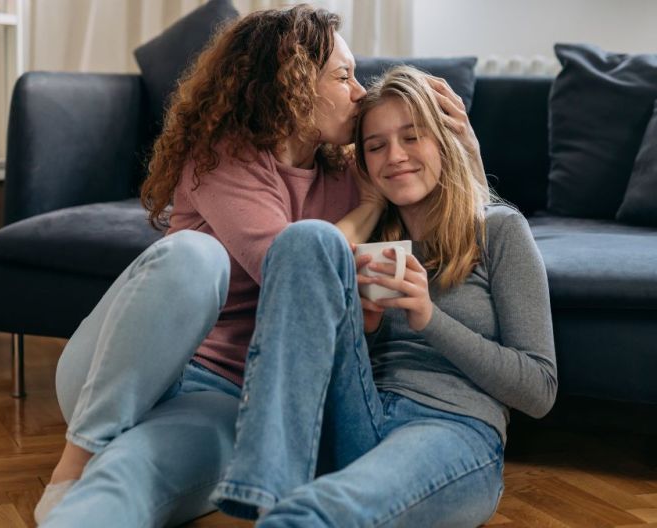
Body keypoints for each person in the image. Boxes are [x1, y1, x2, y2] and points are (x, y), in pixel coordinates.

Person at [34, 5, 394, 526]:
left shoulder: (348, 172)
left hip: (223, 397)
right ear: (290, 84)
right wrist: (368, 210)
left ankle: (89, 490)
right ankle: (75, 461)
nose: (359, 92)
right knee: (194, 256)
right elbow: (292, 269)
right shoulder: (224, 156)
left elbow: (439, 189)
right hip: (118, 371)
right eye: (342, 76)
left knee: (130, 478)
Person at [210, 65, 558, 527]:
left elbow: (539, 390)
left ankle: (281, 506)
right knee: (306, 239)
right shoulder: (375, 241)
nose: (395, 156)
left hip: (451, 428)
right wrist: (365, 326)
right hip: (360, 416)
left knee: (313, 513)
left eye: (412, 137)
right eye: (376, 146)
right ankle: (265, 482)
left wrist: (429, 318)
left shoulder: (500, 230)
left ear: (442, 140)